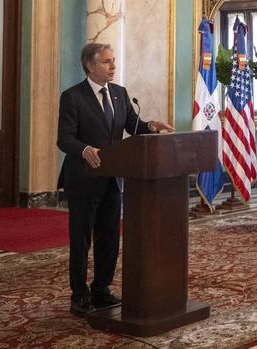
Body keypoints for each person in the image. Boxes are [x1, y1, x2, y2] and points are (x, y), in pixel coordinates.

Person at [57, 43, 175, 316]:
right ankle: (79, 294)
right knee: (81, 238)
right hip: (84, 178)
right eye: (107, 62)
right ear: (89, 65)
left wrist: (150, 126)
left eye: (113, 61)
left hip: (113, 178)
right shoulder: (73, 97)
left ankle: (101, 289)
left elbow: (132, 126)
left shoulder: (120, 94)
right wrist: (85, 150)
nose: (113, 66)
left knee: (109, 237)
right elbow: (64, 138)